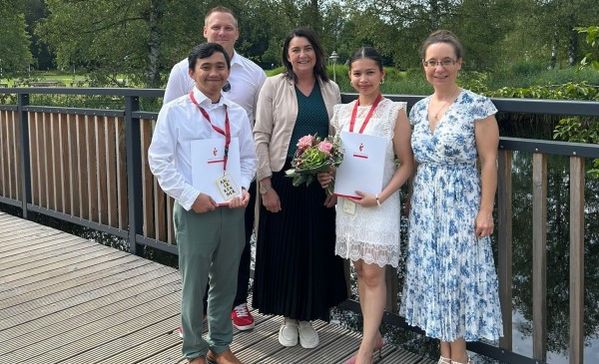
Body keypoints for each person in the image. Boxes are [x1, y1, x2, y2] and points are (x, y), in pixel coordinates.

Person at [148, 43, 256, 364]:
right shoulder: (175, 111)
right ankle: (193, 349)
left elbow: (248, 158)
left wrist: (242, 186)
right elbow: (160, 161)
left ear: (227, 72)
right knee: (194, 284)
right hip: (195, 210)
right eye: (206, 67)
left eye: (220, 67)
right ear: (192, 72)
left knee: (226, 280)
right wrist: (191, 197)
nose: (213, 73)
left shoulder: (236, 114)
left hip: (232, 208)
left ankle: (220, 345)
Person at [400, 30, 503, 364]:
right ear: (424, 66)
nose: (439, 68)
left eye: (446, 61)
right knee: (434, 277)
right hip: (426, 209)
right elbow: (414, 162)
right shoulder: (417, 110)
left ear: (458, 64)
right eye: (432, 62)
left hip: (461, 205)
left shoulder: (476, 105)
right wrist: (412, 197)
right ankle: (445, 355)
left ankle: (458, 358)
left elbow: (489, 161)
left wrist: (485, 210)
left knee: (456, 279)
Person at [164, 5, 266, 332]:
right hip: (195, 186)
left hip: (233, 184)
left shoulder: (254, 74)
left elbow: (259, 129)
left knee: (234, 252)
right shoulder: (183, 70)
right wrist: (188, 193)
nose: (222, 33)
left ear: (237, 32)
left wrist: (245, 185)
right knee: (196, 262)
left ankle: (235, 306)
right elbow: (167, 134)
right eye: (216, 27)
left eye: (228, 28)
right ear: (205, 30)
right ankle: (195, 325)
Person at [252, 27, 348, 349]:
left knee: (315, 249)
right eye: (295, 50)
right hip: (282, 179)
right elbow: (260, 135)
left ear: (317, 53)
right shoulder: (273, 86)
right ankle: (288, 317)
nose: (302, 55)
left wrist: (334, 178)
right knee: (284, 250)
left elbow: (338, 138)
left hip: (318, 182)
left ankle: (307, 317)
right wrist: (265, 185)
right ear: (287, 56)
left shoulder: (331, 88)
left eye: (307, 48)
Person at [318, 47, 414, 364]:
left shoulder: (394, 112)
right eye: (357, 73)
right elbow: (336, 158)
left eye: (370, 72)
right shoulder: (342, 113)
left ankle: (364, 350)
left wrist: (382, 196)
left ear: (382, 75)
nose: (364, 79)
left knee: (373, 274)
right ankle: (374, 338)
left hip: (378, 203)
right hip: (348, 205)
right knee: (360, 269)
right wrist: (329, 180)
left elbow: (406, 164)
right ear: (350, 76)